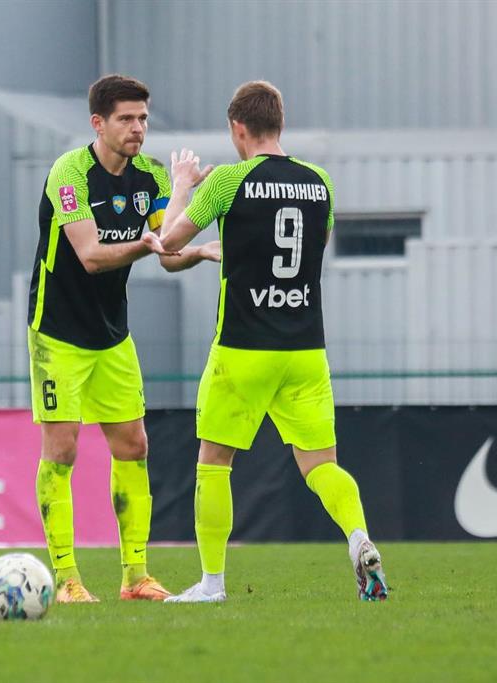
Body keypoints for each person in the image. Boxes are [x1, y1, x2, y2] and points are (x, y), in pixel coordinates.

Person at [157, 81, 389, 603]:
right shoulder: (320, 183)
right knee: (321, 465)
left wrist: (182, 187)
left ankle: (212, 584)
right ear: (280, 124)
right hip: (305, 349)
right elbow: (316, 247)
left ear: (238, 128)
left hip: (243, 347)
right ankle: (359, 537)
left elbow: (166, 245)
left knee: (214, 462)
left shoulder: (228, 182)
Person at [27, 74, 221, 603]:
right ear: (99, 123)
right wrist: (149, 244)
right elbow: (91, 256)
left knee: (134, 445)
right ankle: (67, 579)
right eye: (126, 119)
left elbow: (168, 250)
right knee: (62, 449)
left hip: (112, 335)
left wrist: (196, 244)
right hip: (57, 333)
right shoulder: (70, 173)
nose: (138, 128)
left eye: (143, 118)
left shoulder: (150, 175)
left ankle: (135, 576)